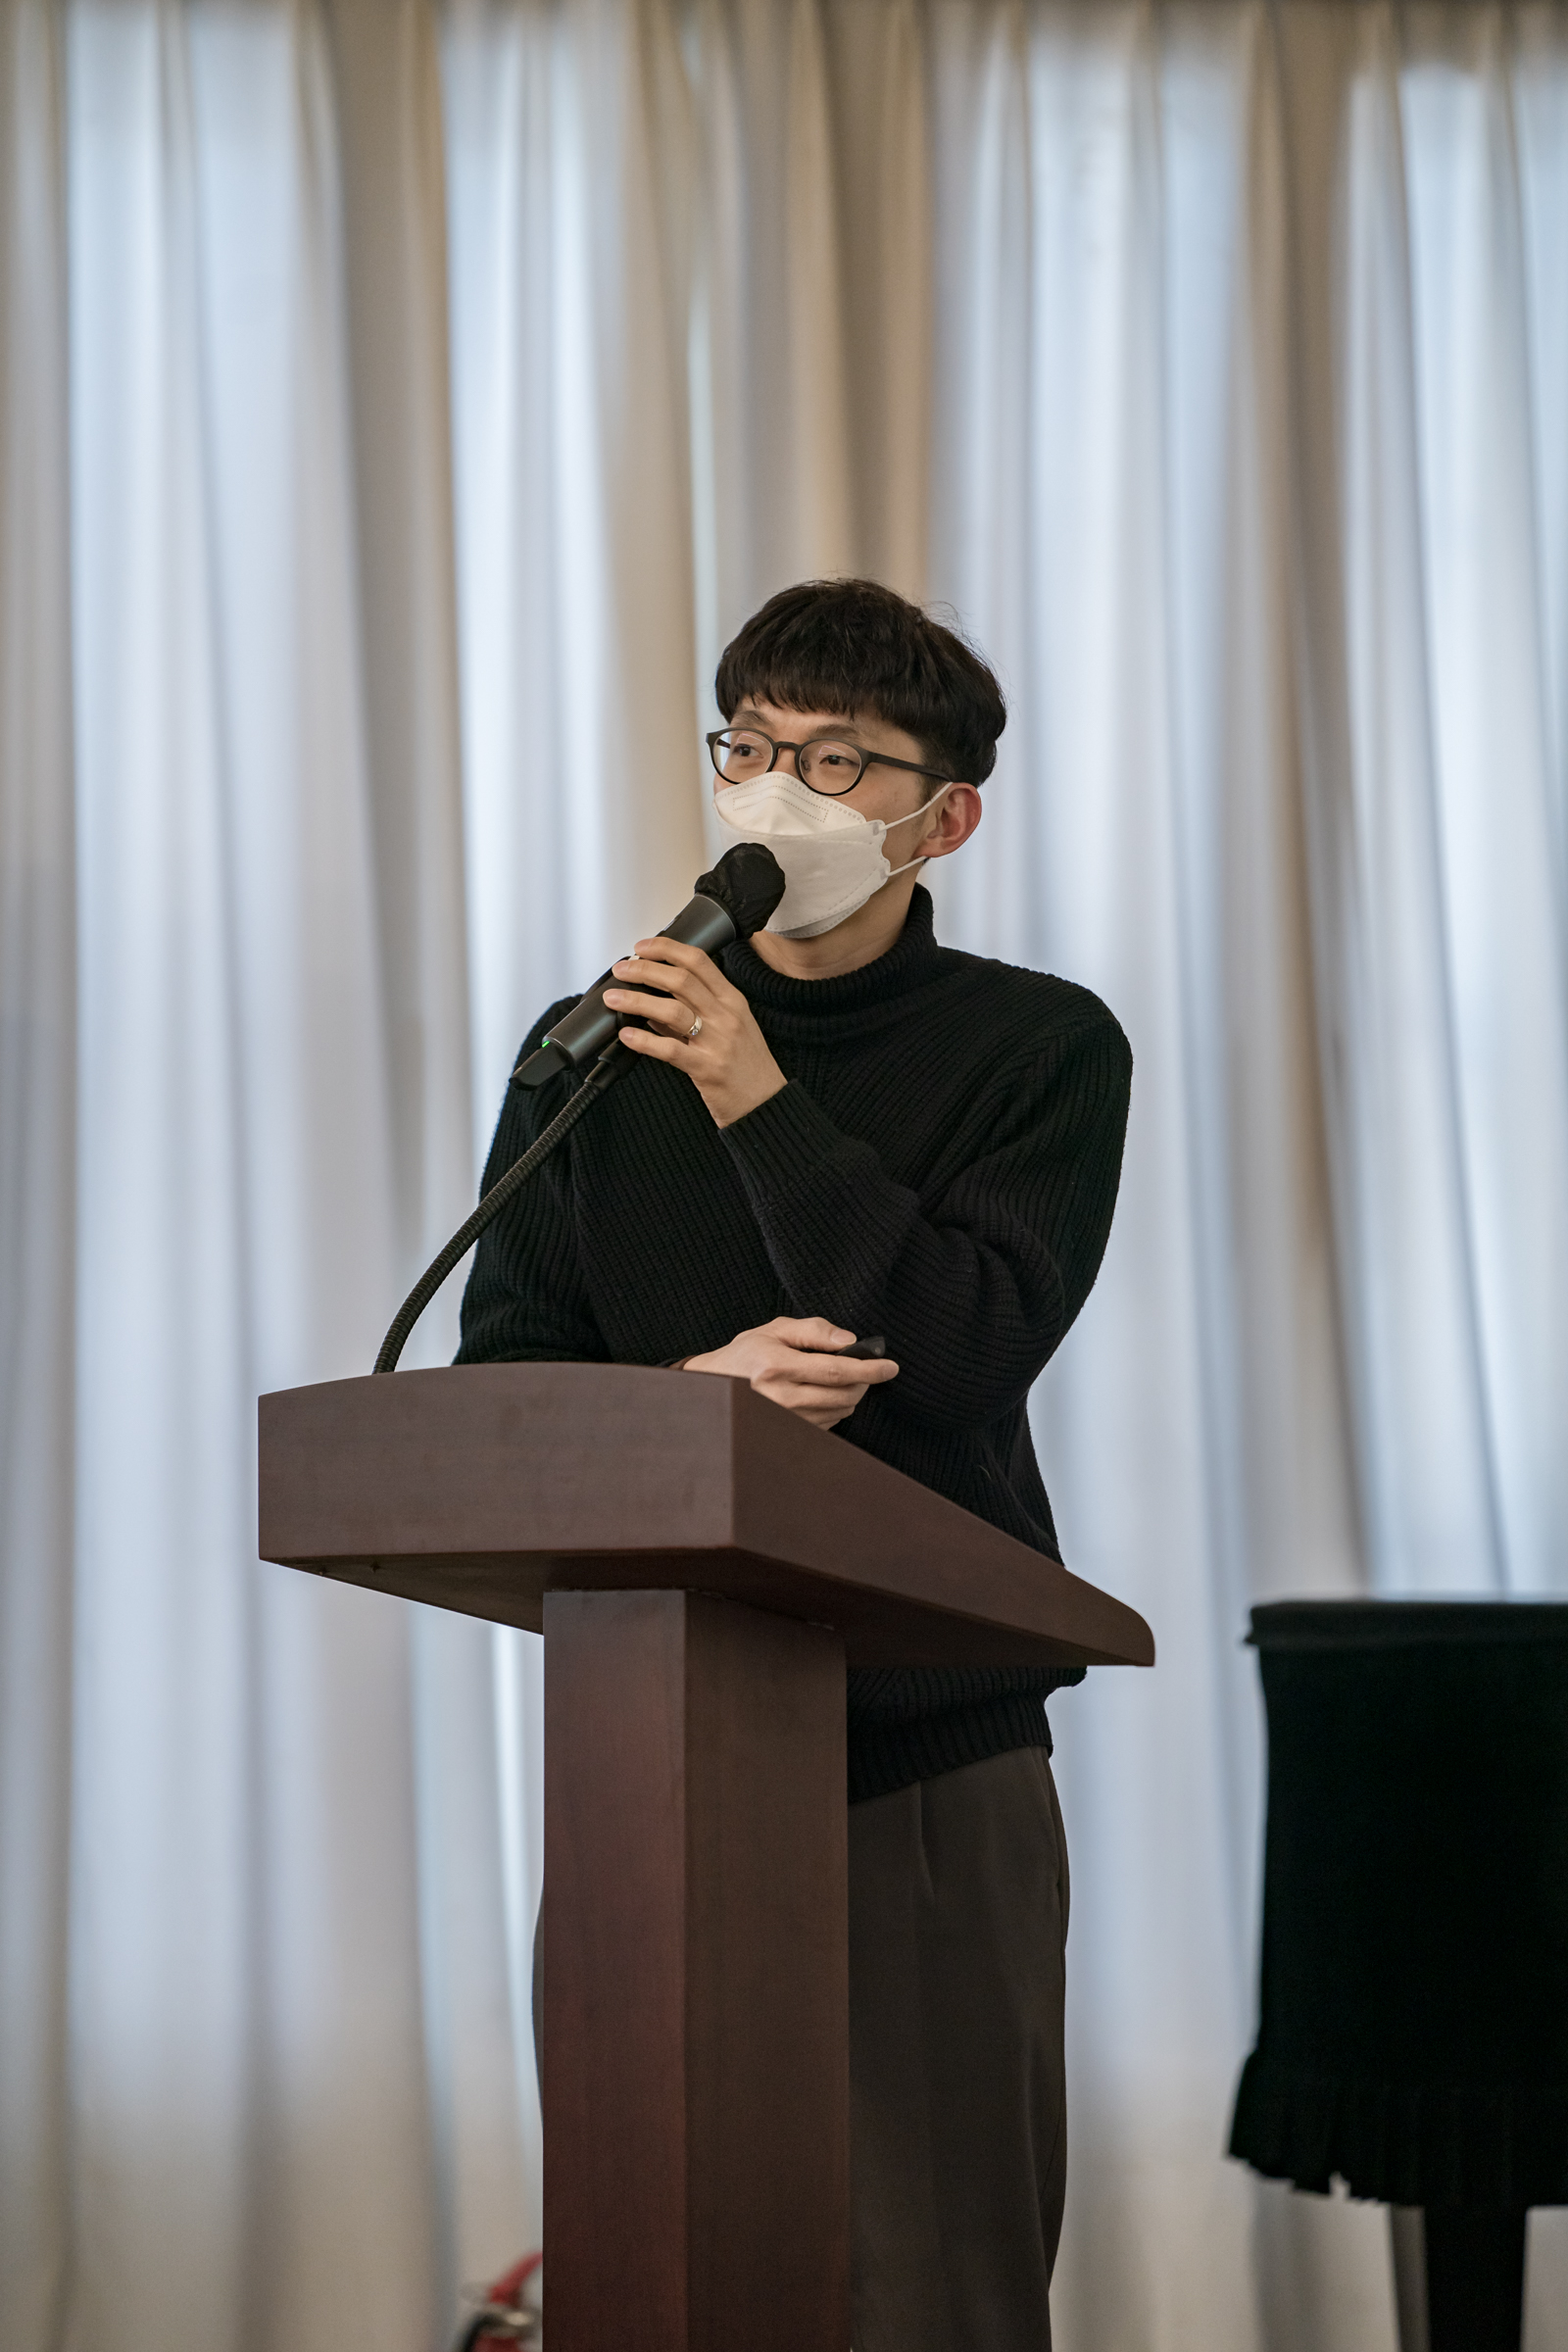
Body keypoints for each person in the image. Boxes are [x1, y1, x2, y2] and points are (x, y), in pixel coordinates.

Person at [457, 576, 1132, 2351]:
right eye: (748, 745)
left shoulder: (1041, 1045)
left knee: (934, 2291)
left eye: (835, 762)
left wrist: (758, 1092)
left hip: (928, 1761)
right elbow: (501, 1382)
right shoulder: (596, 1047)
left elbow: (969, 1348)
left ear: (942, 819)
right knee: (654, 2283)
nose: (774, 792)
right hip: (649, 1754)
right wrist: (696, 1405)